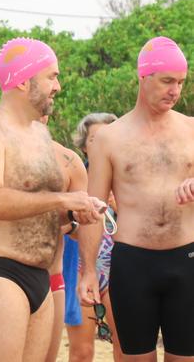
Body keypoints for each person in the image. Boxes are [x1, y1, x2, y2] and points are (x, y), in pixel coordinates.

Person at [0, 37, 105, 362]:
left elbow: (42, 206)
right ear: (23, 80)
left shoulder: (39, 135)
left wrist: (79, 215)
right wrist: (64, 198)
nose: (58, 86)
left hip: (42, 276)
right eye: (51, 76)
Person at [79, 36, 194, 360]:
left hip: (187, 261)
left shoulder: (191, 129)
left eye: (181, 82)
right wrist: (88, 270)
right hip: (133, 264)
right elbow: (94, 209)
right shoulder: (109, 139)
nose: (175, 90)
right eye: (167, 81)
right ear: (143, 78)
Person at [65, 112, 122, 362]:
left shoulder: (129, 181)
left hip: (119, 268)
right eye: (94, 138)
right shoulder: (75, 177)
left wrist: (119, 207)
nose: (101, 143)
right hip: (78, 268)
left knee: (124, 349)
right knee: (82, 351)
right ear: (84, 145)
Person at [38, 115, 89, 362]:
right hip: (5, 272)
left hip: (53, 275)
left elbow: (86, 229)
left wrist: (68, 224)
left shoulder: (69, 161)